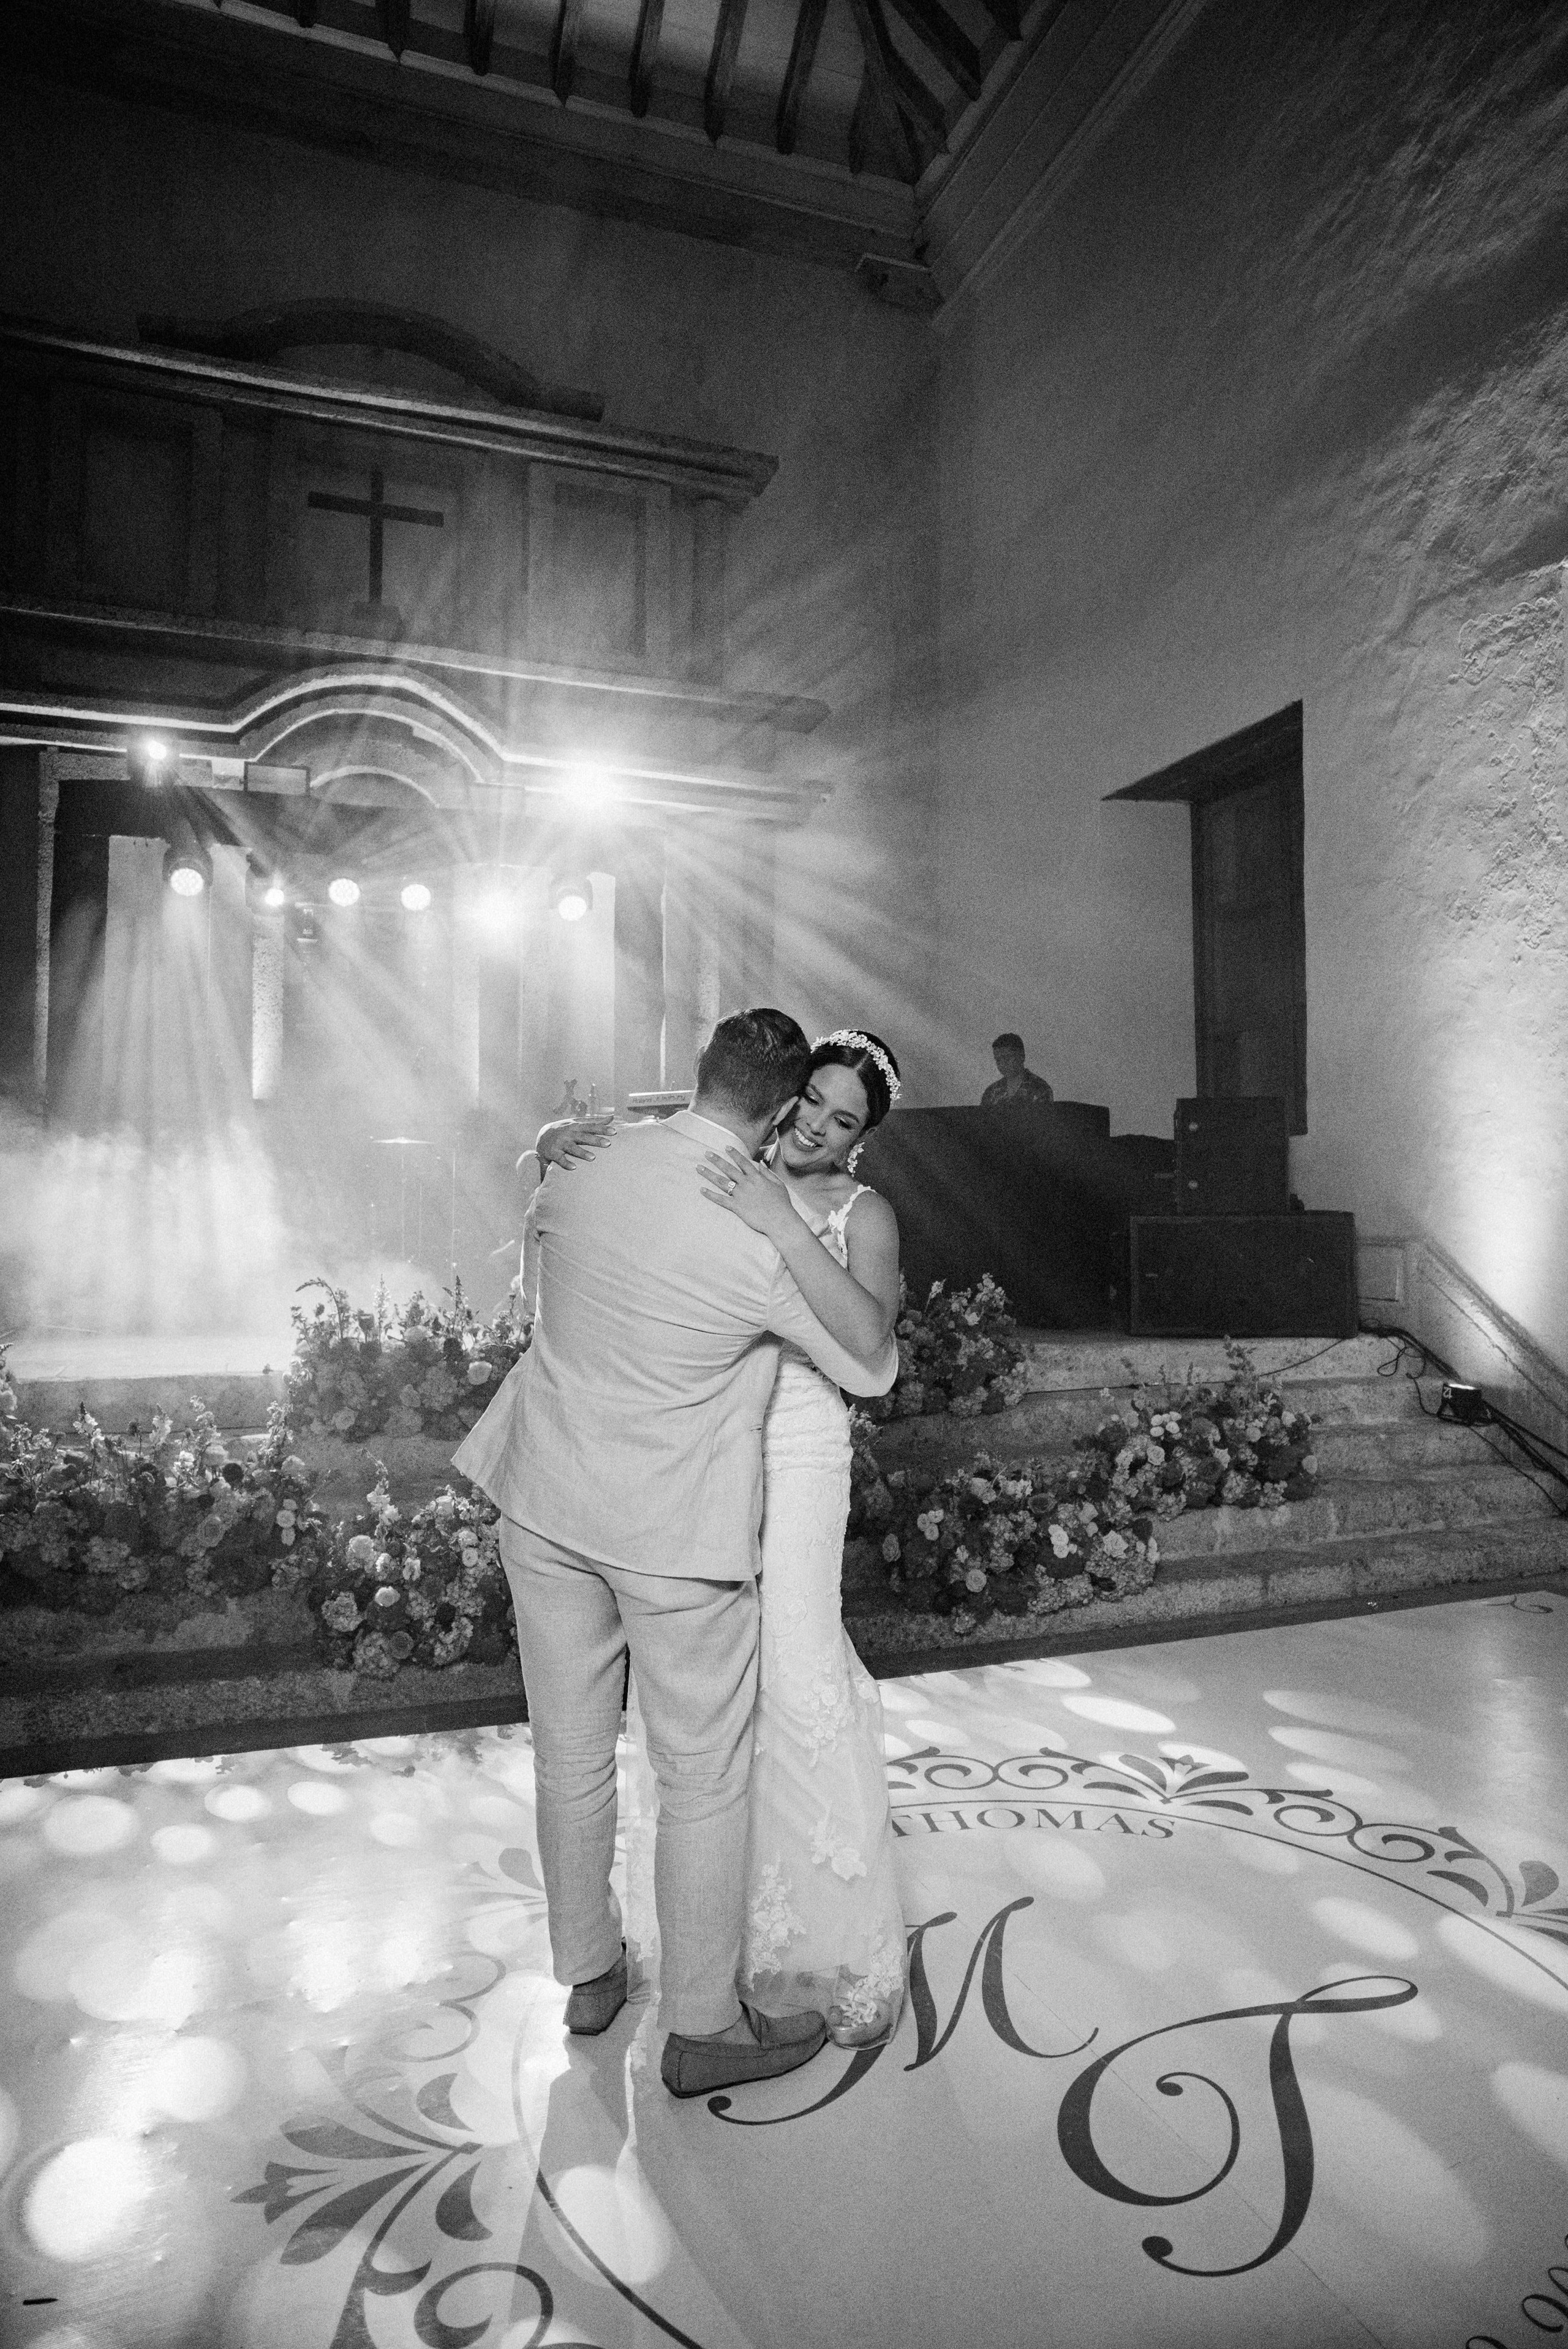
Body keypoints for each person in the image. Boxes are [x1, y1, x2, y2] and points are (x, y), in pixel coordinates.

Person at [453, 1009, 898, 2102]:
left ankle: (591, 1974)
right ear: (790, 1109)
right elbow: (872, 1364)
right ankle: (702, 2024)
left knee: (569, 1756)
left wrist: (561, 1143)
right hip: (669, 1531)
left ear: (697, 1073)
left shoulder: (582, 1166)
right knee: (701, 1778)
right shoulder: (757, 1238)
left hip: (546, 1498)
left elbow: (544, 1241)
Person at [981, 1030, 1054, 1106]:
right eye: (998, 1060)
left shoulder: (1039, 1088)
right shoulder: (992, 1092)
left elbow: (1044, 1117)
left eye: (1007, 1058)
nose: (1002, 1064)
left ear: (1022, 1056)